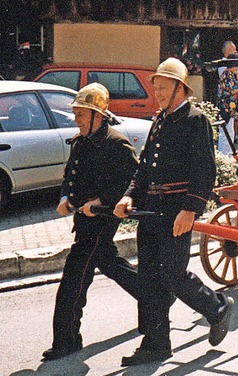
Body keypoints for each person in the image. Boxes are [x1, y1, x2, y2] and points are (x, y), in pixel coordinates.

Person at [114, 58, 233, 366]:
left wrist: (190, 209)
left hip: (176, 210)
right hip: (151, 210)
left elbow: (204, 171)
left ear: (181, 88)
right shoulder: (160, 120)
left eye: (164, 88)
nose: (159, 94)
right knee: (150, 278)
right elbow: (144, 168)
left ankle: (217, 308)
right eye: (156, 89)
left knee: (173, 275)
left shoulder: (195, 120)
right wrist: (129, 196)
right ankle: (155, 344)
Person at [42, 83, 140, 361]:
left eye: (81, 115)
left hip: (101, 221)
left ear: (98, 115)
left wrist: (100, 202)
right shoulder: (82, 141)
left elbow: (130, 184)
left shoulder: (116, 143)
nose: (77, 120)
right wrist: (65, 196)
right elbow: (69, 175)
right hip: (83, 220)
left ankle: (68, 341)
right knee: (110, 263)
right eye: (75, 114)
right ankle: (155, 298)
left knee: (74, 279)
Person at [217, 53, 238, 155]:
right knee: (225, 133)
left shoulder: (232, 75)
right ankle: (224, 155)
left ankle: (228, 155)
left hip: (231, 108)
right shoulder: (226, 75)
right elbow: (226, 91)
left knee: (229, 132)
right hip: (225, 107)